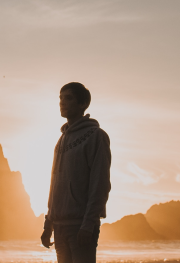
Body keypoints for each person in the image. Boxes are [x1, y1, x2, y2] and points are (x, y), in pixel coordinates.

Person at [40, 82, 111, 263]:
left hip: (81, 227)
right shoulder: (61, 140)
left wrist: (88, 224)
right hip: (60, 226)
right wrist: (48, 224)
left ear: (82, 104)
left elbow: (100, 184)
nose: (62, 102)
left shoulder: (96, 136)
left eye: (68, 98)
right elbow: (54, 184)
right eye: (60, 98)